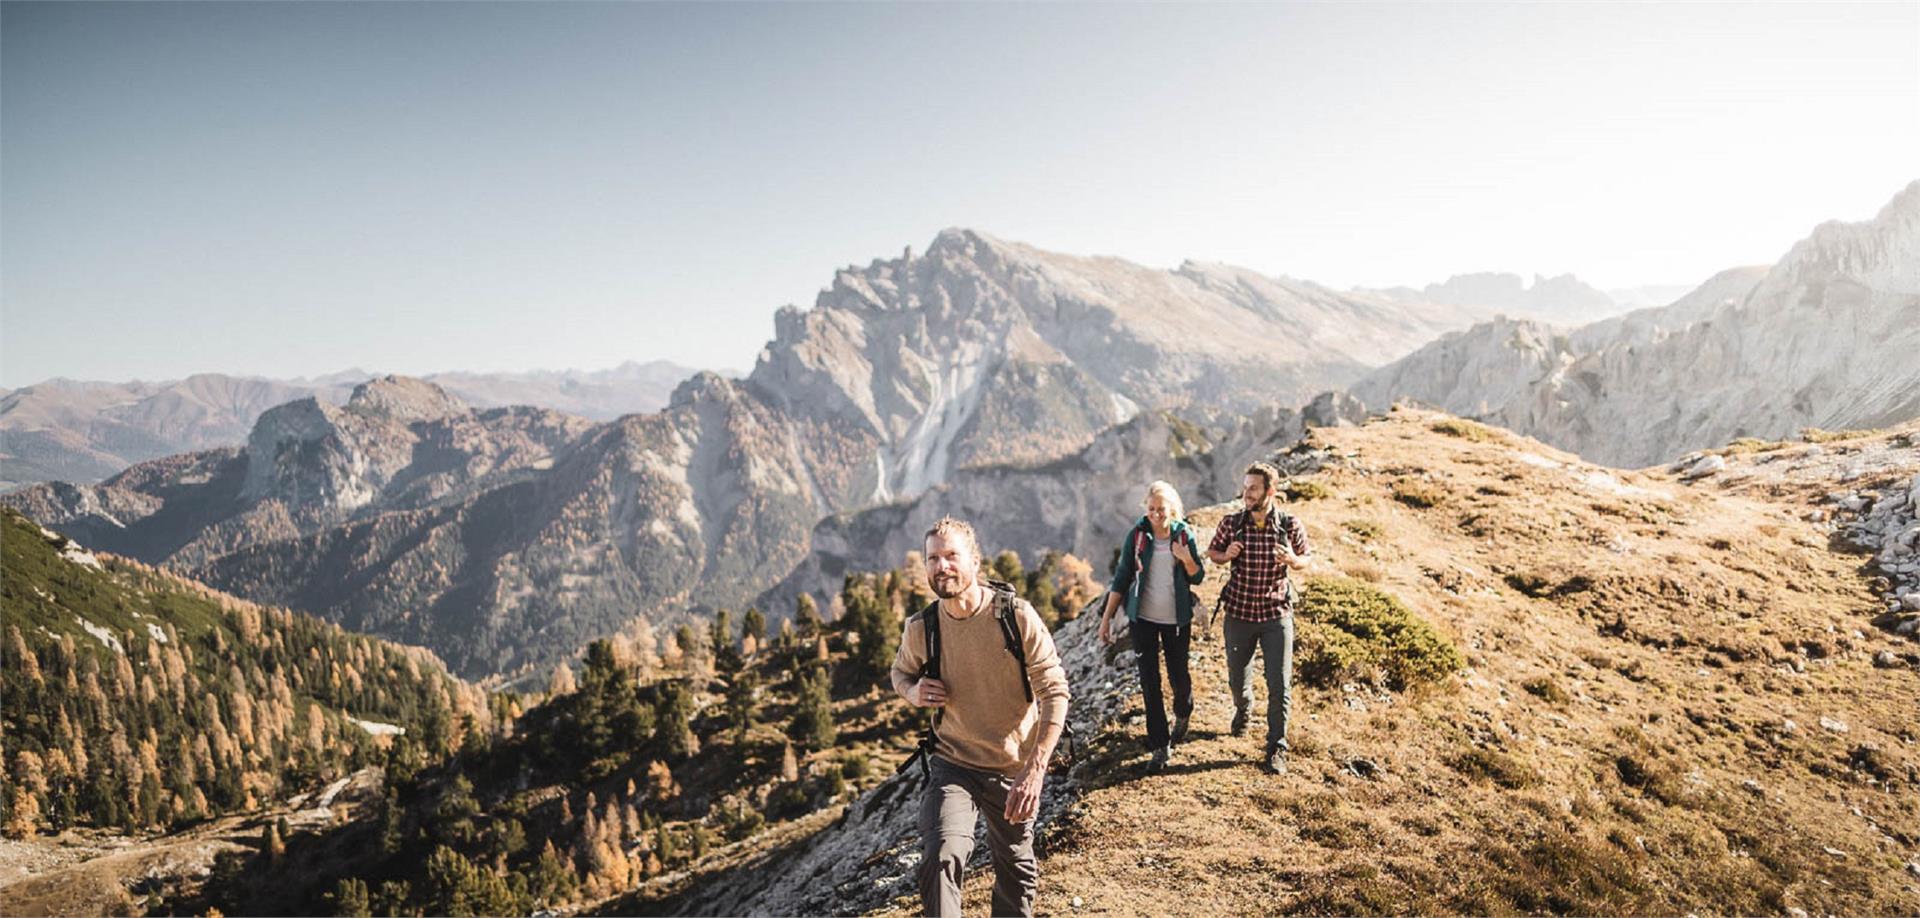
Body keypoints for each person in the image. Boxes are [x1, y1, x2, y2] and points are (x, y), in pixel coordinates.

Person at [891, 517, 1071, 918]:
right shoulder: (923, 628)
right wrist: (913, 691)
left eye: (951, 556)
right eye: (932, 559)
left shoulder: (1015, 617)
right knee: (940, 854)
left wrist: (1035, 769)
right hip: (953, 764)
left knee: (1015, 868)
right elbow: (899, 673)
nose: (942, 567)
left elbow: (1055, 691)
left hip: (1013, 767)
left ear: (974, 560)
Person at [1205, 461, 1312, 775]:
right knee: (1237, 678)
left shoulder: (1289, 525)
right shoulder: (1231, 523)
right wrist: (1226, 556)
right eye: (1245, 487)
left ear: (1271, 490)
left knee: (1279, 685)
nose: (1246, 493)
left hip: (1276, 616)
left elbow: (1306, 559)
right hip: (1238, 614)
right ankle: (1244, 707)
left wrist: (1292, 560)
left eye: (1253, 488)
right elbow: (1213, 553)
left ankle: (1276, 747)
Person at [1098, 480, 1205, 772]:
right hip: (1142, 620)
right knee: (1149, 682)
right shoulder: (1137, 535)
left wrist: (1186, 560)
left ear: (1172, 509)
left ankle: (1183, 711)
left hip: (1176, 621)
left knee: (1178, 676)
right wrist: (1106, 619)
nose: (1156, 514)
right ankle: (1160, 746)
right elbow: (1121, 579)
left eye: (1161, 509)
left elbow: (1198, 577)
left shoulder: (1184, 535)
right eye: (1151, 509)